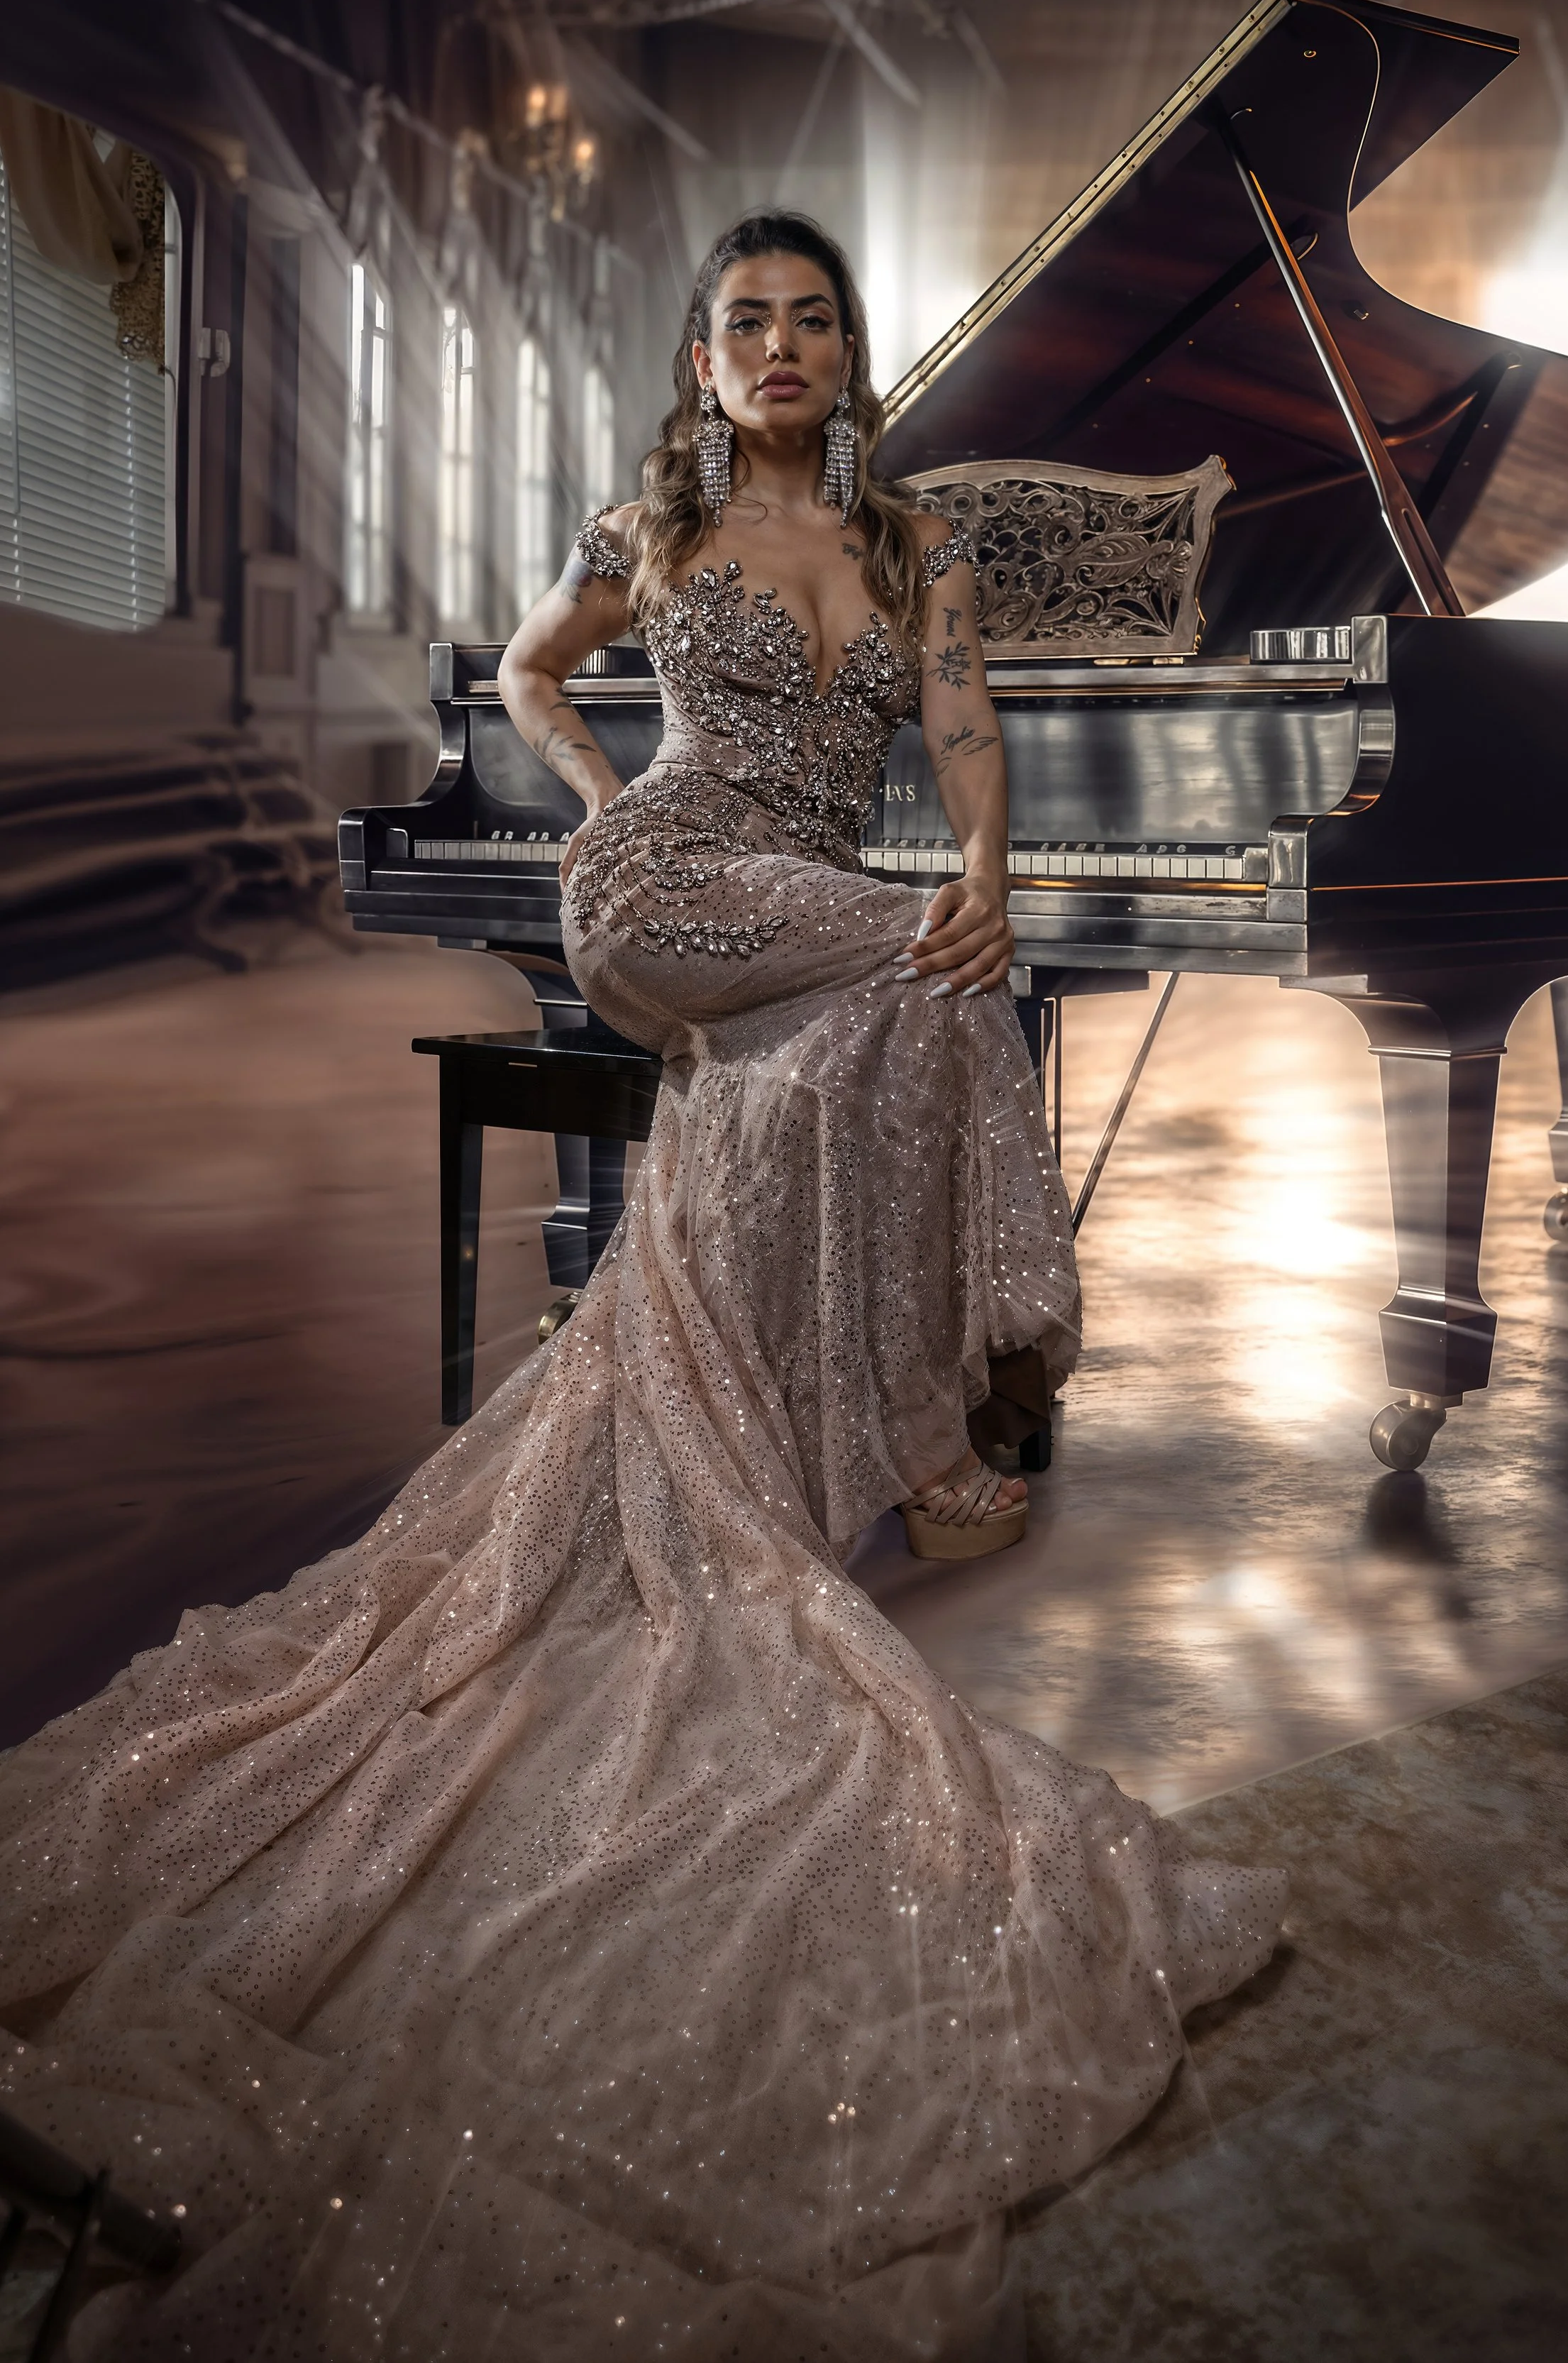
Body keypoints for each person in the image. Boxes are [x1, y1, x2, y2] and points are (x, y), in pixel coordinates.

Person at [0, 212, 1283, 2361]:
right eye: (745, 322)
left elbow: (966, 735)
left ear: (848, 353)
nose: (780, 347)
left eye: (813, 321)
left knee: (902, 998)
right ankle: (955, 1409)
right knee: (933, 987)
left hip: (812, 904)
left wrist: (983, 863)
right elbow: (527, 671)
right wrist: (602, 799)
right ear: (705, 359)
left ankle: (824, 1388)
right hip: (667, 884)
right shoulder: (654, 526)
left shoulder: (916, 544)